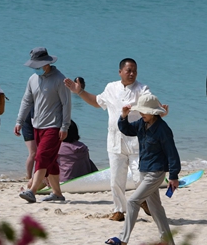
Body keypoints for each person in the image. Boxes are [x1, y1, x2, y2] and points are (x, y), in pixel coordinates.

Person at [64, 59, 164, 221]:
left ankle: (143, 200)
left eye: (134, 71)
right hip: (115, 140)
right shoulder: (111, 87)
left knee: (140, 177)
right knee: (116, 179)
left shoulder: (142, 89)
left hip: (137, 142)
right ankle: (119, 210)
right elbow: (97, 102)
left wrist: (160, 111)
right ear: (120, 72)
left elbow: (151, 103)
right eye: (128, 70)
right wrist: (80, 91)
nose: (132, 73)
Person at [104, 94, 179, 245]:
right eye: (140, 111)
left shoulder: (163, 129)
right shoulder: (141, 123)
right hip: (144, 169)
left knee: (132, 201)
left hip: (156, 172)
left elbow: (172, 154)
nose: (141, 113)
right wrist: (123, 116)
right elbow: (126, 129)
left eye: (144, 111)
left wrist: (173, 176)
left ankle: (123, 239)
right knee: (156, 208)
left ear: (153, 112)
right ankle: (167, 242)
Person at [15, 47, 72, 203]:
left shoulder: (60, 79)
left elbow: (66, 104)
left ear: (47, 63)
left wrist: (65, 126)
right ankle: (57, 193)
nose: (35, 68)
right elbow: (26, 101)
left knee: (41, 157)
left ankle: (32, 191)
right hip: (37, 126)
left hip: (54, 126)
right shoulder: (32, 79)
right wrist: (19, 121)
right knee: (50, 162)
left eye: (37, 65)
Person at [20, 107, 36, 180]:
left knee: (37, 153)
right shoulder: (31, 104)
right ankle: (29, 176)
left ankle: (36, 175)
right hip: (28, 127)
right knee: (33, 153)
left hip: (35, 126)